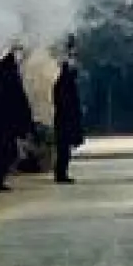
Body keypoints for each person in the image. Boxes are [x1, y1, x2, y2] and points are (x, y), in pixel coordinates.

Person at [0, 48, 33, 194]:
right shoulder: (8, 76)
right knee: (2, 153)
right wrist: (24, 123)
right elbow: (18, 100)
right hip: (1, 124)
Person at [52, 41, 85, 185]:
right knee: (63, 148)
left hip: (65, 118)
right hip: (65, 119)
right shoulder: (64, 83)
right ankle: (61, 173)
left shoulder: (65, 82)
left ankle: (61, 173)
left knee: (64, 148)